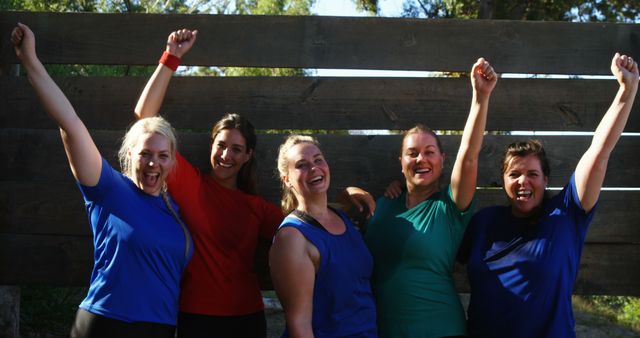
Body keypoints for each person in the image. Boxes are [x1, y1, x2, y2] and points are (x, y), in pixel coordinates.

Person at [11, 23, 192, 338]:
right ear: (129, 154)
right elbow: (70, 122)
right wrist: (30, 61)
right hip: (105, 324)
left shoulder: (175, 209)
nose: (153, 163)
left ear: (172, 161)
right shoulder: (109, 189)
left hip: (160, 329)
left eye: (163, 156)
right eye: (146, 154)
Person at [456, 53, 638, 338]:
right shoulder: (483, 222)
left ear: (546, 179)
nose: (522, 181)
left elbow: (599, 152)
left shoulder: (566, 213)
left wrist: (626, 91)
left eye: (532, 174)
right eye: (514, 174)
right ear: (502, 181)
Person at [134, 29, 285, 337]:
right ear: (211, 145)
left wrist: (349, 198)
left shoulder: (257, 208)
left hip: (248, 318)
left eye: (237, 149)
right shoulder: (190, 183)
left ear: (248, 157)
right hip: (196, 316)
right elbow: (144, 117)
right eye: (221, 145)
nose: (226, 155)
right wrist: (171, 57)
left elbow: (307, 224)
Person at [364, 58, 497, 337]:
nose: (420, 159)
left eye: (429, 152)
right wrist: (348, 192)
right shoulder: (386, 202)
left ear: (442, 160)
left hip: (439, 327)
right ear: (400, 162)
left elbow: (469, 157)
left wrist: (480, 96)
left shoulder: (450, 207)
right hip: (383, 329)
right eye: (412, 153)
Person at [270, 135, 378, 338]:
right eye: (301, 165)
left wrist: (349, 191)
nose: (313, 168)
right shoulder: (293, 237)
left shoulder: (340, 215)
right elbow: (299, 324)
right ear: (286, 179)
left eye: (318, 160)